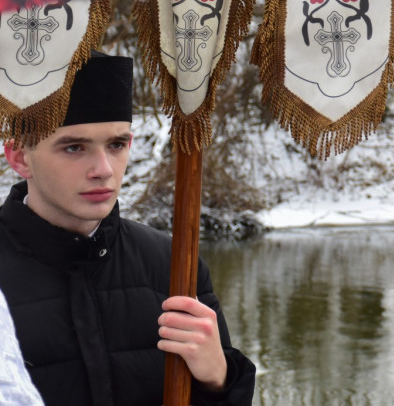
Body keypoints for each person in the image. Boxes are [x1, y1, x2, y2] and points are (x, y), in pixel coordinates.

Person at [0, 53, 255, 405]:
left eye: (116, 144)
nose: (103, 169)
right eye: (74, 147)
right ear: (19, 157)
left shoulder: (173, 262)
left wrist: (219, 379)